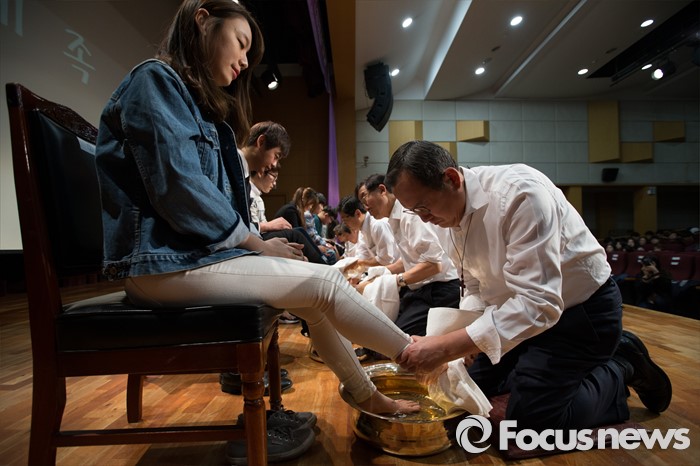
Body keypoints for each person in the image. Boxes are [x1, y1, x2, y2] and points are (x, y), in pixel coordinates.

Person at [93, 1, 418, 462]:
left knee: (315, 294)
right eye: (241, 43)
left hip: (187, 260)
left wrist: (259, 244)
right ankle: (418, 354)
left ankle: (370, 395)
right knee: (325, 282)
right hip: (161, 266)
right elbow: (179, 191)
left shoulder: (197, 107)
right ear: (202, 20)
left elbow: (210, 204)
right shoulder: (155, 80)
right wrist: (255, 242)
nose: (246, 61)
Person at [385, 140, 672, 432]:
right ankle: (537, 371)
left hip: (580, 314)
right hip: (516, 316)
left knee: (531, 423)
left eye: (423, 207)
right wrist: (467, 338)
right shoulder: (445, 218)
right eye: (414, 212)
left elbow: (540, 305)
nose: (424, 219)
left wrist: (447, 347)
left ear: (451, 178)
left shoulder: (519, 194)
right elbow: (473, 286)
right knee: (467, 388)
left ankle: (622, 365)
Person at [358, 173, 461, 337]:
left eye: (365, 197)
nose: (365, 206)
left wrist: (395, 280)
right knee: (381, 327)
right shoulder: (394, 218)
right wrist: (382, 274)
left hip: (440, 289)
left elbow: (434, 265)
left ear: (382, 190)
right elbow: (410, 260)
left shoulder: (409, 214)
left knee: (394, 338)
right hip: (420, 287)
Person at [338, 195, 399, 270]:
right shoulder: (362, 229)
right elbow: (363, 254)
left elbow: (386, 259)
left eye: (345, 220)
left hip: (396, 269)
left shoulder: (377, 224)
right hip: (384, 269)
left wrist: (361, 263)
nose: (345, 224)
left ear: (357, 213)